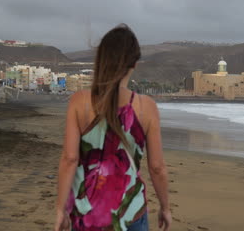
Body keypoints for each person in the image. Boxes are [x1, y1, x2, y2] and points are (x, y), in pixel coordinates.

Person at [54, 24, 171, 231]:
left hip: (86, 215)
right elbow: (157, 167)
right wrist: (165, 207)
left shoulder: (79, 102)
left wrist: (60, 209)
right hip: (131, 214)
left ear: (101, 60)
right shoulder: (146, 107)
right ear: (134, 63)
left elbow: (69, 159)